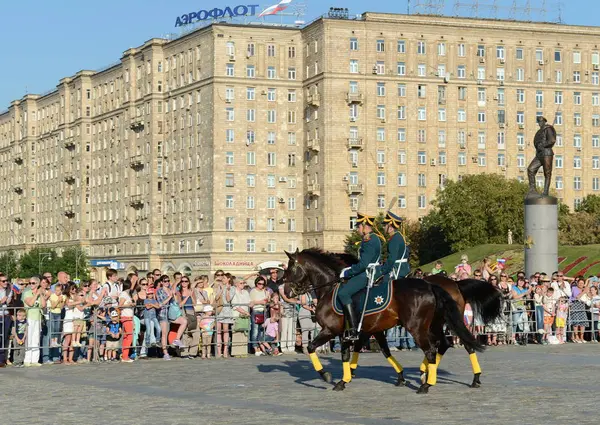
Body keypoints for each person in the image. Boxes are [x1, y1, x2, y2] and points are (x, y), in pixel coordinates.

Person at [338, 212, 382, 342]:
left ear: (364, 226)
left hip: (367, 273)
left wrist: (348, 272)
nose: (357, 229)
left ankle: (353, 328)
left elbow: (363, 264)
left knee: (343, 293)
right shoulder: (372, 238)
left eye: (358, 226)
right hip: (368, 270)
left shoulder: (369, 240)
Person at [376, 210, 410, 282]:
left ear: (391, 228)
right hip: (402, 267)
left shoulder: (394, 239)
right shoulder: (398, 236)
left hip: (397, 269)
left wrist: (382, 271)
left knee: (381, 284)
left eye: (385, 225)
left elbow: (392, 258)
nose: (383, 227)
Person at [527, 115, 556, 197]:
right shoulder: (539, 132)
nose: (539, 123)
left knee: (547, 173)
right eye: (538, 122)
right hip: (539, 154)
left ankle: (545, 192)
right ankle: (532, 189)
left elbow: (552, 140)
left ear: (544, 121)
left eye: (540, 121)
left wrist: (543, 145)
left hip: (547, 153)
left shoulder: (548, 129)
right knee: (530, 169)